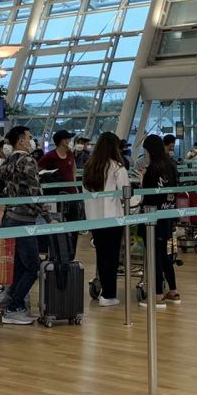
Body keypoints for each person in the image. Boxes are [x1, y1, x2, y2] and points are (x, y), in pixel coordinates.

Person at [0, 126, 51, 324]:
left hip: (10, 217)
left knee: (18, 266)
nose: (31, 140)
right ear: (20, 141)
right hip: (24, 220)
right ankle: (14, 306)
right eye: (28, 137)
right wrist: (48, 217)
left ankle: (8, 301)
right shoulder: (28, 161)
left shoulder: (7, 161)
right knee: (32, 266)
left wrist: (8, 202)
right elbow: (36, 192)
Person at [82, 132, 130, 307]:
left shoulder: (89, 167)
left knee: (101, 255)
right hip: (113, 218)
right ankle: (109, 294)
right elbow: (126, 192)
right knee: (112, 256)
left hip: (94, 219)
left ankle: (105, 290)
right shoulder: (117, 167)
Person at [139, 135, 181, 306]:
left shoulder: (152, 169)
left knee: (154, 254)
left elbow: (148, 195)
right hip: (168, 214)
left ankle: (157, 294)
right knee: (165, 253)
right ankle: (173, 290)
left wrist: (142, 180)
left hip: (153, 216)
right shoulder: (171, 165)